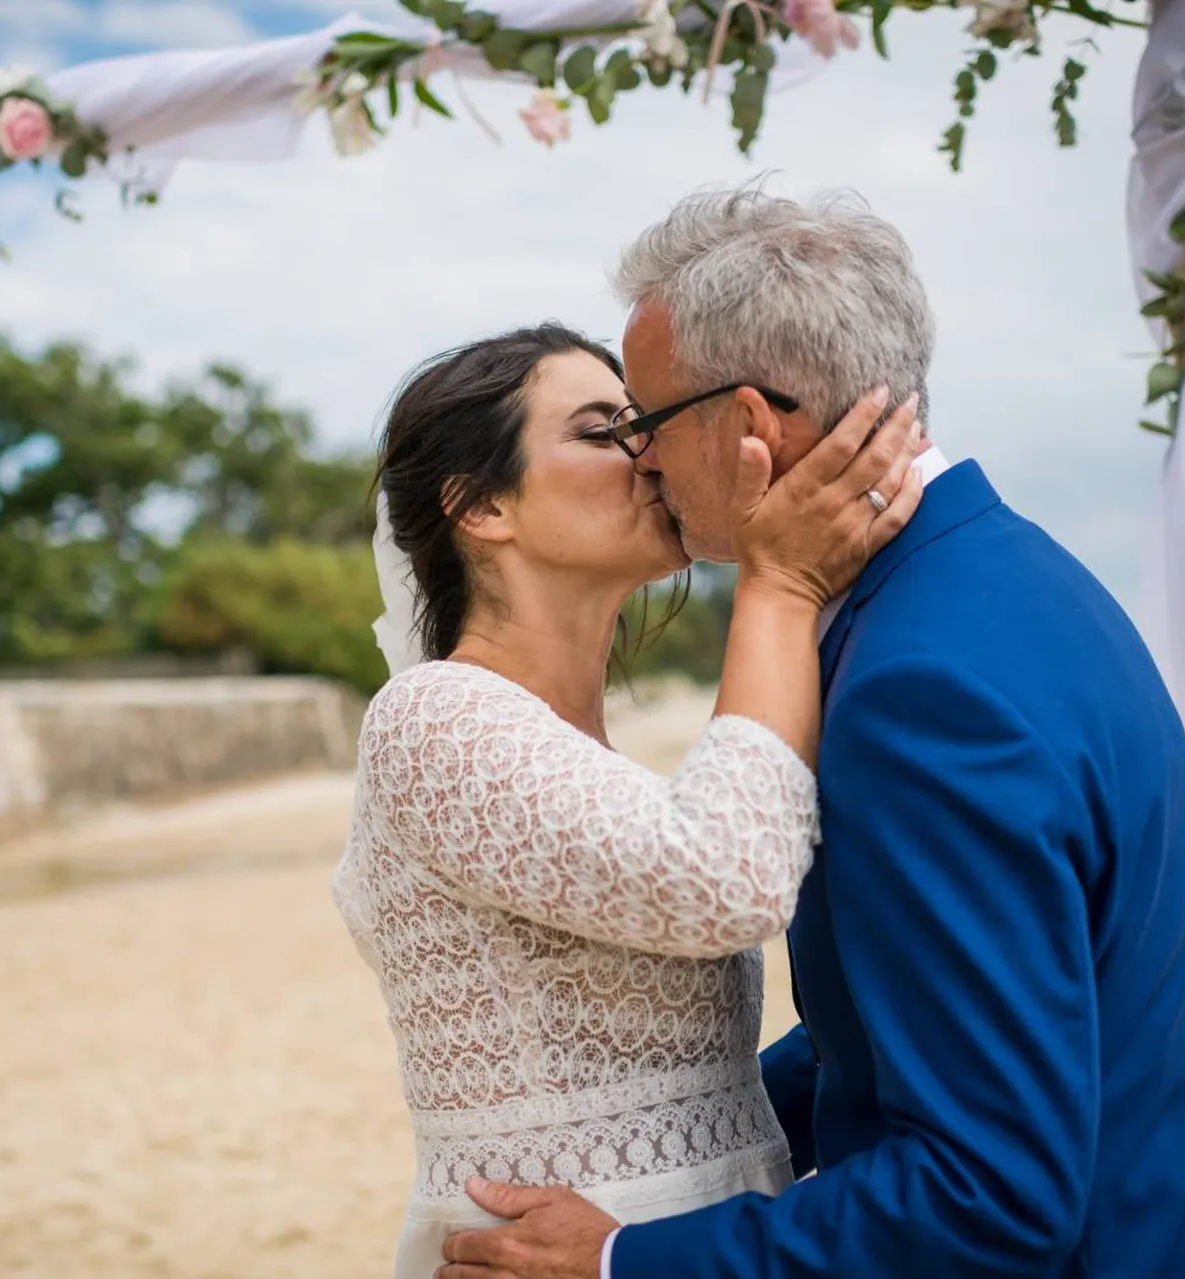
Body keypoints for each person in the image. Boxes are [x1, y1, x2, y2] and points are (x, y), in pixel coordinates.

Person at [435, 188, 1185, 1279]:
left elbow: (989, 1194)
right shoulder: (1011, 576)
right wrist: (687, 1141)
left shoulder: (918, 691)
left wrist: (625, 1258)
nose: (642, 461)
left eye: (648, 422)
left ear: (749, 423)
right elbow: (913, 1021)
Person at [333, 321, 924, 1279]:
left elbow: (684, 1081)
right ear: (480, 506)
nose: (648, 452)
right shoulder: (430, 719)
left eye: (642, 422)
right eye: (604, 430)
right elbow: (730, 879)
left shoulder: (576, 758)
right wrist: (780, 584)